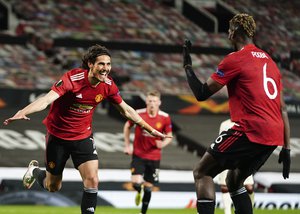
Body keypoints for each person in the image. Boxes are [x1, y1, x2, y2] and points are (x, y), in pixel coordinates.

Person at [3, 44, 170, 214]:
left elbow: (126, 110)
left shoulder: (108, 85)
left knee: (93, 180)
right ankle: (36, 171)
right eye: (101, 64)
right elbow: (46, 100)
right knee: (53, 186)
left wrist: (149, 129)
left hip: (83, 137)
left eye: (108, 64)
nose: (106, 69)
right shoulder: (72, 79)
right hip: (58, 137)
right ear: (90, 64)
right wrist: (22, 112)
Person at [182, 13, 291, 214]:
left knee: (202, 172)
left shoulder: (236, 59)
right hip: (274, 135)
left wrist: (188, 67)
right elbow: (283, 108)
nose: (228, 34)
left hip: (251, 129)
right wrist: (287, 148)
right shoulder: (270, 61)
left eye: (230, 30)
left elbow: (202, 93)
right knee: (234, 181)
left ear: (235, 32)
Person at [123, 90, 173, 214]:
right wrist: (127, 145)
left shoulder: (165, 117)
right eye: (150, 100)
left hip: (154, 157)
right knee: (136, 183)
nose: (152, 103)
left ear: (159, 102)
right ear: (146, 101)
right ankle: (138, 190)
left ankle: (143, 212)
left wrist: (163, 143)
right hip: (138, 155)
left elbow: (170, 135)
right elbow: (127, 126)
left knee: (149, 189)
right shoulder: (138, 114)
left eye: (154, 101)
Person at [217, 119, 254, 214]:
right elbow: (220, 141)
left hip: (243, 157)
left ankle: (249, 210)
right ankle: (227, 212)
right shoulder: (224, 124)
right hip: (227, 157)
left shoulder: (247, 122)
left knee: (249, 187)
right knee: (225, 187)